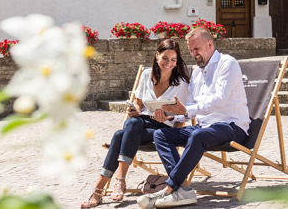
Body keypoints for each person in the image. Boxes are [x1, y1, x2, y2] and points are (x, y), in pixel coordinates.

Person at [137, 27, 249, 209]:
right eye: (190, 50)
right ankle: (184, 190)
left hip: (232, 126)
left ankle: (169, 189)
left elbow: (220, 100)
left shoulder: (228, 64)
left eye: (196, 49)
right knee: (161, 134)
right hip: (206, 127)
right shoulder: (196, 73)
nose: (193, 54)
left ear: (210, 44)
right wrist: (170, 113)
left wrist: (187, 109)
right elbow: (188, 106)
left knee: (198, 136)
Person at [80, 39, 190, 208]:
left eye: (173, 60)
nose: (169, 63)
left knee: (119, 135)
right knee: (131, 123)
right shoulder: (147, 75)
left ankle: (102, 188)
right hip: (143, 122)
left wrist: (168, 118)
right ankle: (119, 181)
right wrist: (134, 109)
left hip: (164, 128)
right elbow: (139, 103)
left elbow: (184, 113)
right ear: (157, 56)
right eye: (165, 58)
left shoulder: (181, 82)